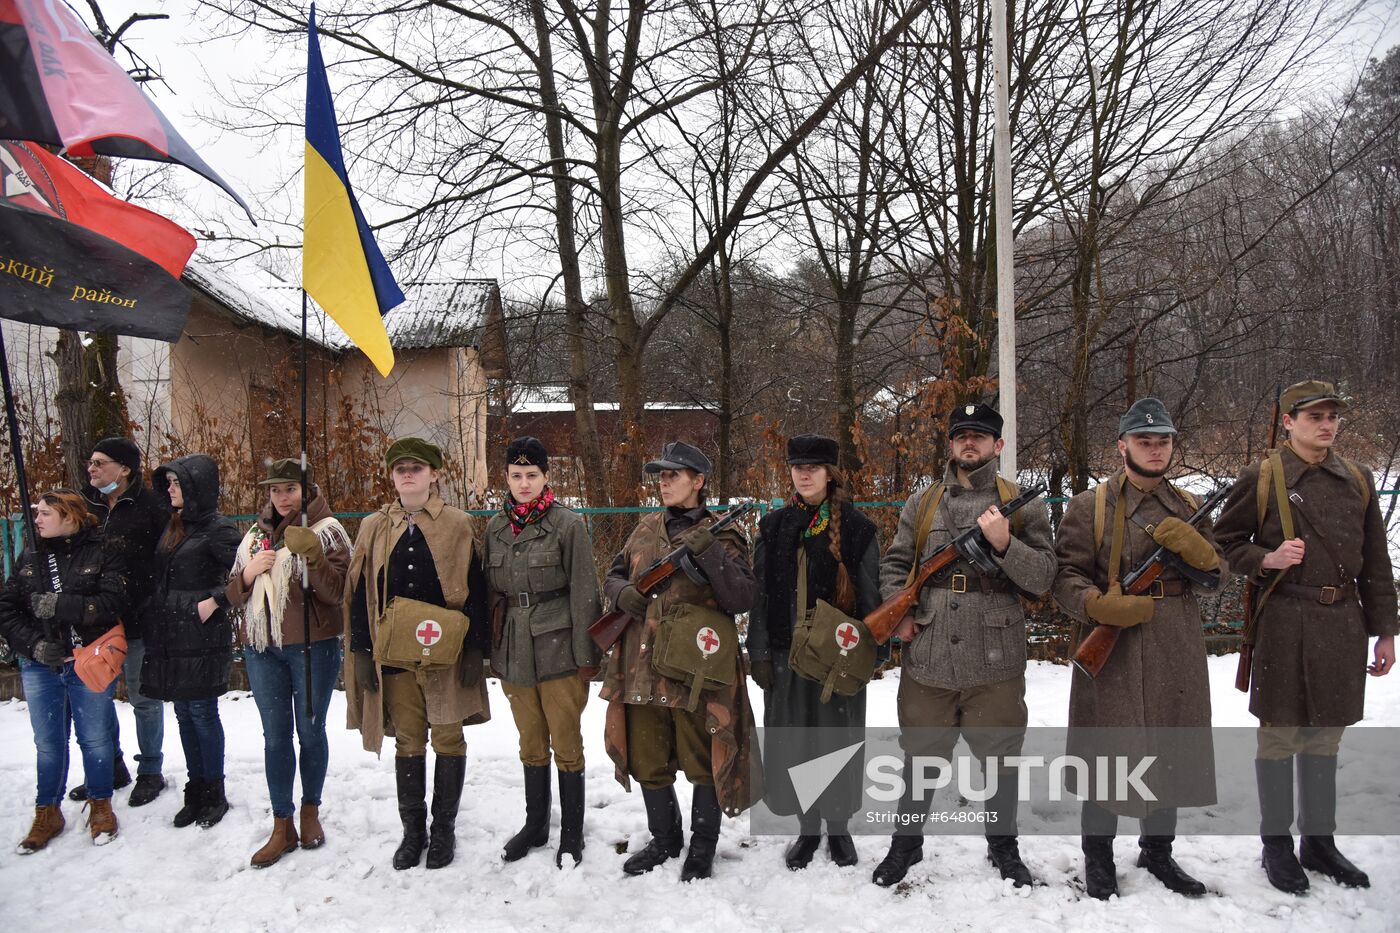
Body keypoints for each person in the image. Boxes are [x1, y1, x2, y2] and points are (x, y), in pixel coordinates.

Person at [1215, 380, 1395, 894]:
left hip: (1343, 623)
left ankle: (1319, 842)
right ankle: (1276, 845)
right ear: (1289, 421)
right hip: (1285, 620)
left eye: (1333, 415)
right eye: (1314, 415)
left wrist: (1385, 630)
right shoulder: (1263, 477)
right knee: (1279, 736)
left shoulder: (1358, 479)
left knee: (1326, 736)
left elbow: (1376, 563)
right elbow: (1224, 543)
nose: (1326, 424)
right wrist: (1266, 559)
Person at [871, 404, 1057, 889]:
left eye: (979, 436)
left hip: (995, 653)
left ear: (998, 445)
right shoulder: (923, 503)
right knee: (919, 757)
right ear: (950, 444)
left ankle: (1004, 849)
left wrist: (1004, 545)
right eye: (961, 436)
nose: (968, 443)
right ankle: (905, 846)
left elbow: (1042, 579)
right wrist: (902, 612)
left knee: (1000, 758)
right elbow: (895, 565)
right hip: (930, 652)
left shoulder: (1024, 504)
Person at [1053, 398, 1226, 900]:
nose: (1155, 450)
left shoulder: (1191, 508)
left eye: (1163, 441)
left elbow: (1217, 578)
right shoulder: (1091, 506)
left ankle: (1158, 851)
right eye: (1144, 441)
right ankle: (1098, 855)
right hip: (1114, 642)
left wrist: (1202, 555)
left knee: (1168, 742)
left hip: (1175, 638)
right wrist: (1097, 606)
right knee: (1107, 747)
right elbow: (1064, 577)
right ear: (1122, 445)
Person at [601, 440, 760, 882]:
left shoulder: (724, 534)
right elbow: (614, 574)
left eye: (674, 474)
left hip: (696, 668)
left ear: (699, 481)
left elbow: (742, 597)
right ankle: (666, 838)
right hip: (643, 665)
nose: (665, 482)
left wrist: (708, 552)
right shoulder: (646, 527)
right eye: (661, 475)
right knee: (648, 757)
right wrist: (622, 594)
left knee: (701, 757)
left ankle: (702, 845)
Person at [343, 438, 492, 871]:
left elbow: (476, 589)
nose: (408, 474)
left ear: (434, 474)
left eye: (417, 468)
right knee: (408, 741)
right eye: (400, 468)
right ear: (391, 476)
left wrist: (473, 650)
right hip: (393, 656)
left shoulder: (458, 525)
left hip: (444, 654)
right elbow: (359, 594)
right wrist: (361, 650)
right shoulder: (373, 526)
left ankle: (443, 829)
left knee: (448, 737)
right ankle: (413, 833)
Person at [748, 433, 881, 870]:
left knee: (836, 741)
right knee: (797, 742)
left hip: (836, 660)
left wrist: (867, 656)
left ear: (830, 474)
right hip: (787, 657)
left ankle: (839, 829)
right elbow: (762, 597)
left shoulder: (859, 529)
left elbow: (871, 600)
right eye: (797, 466)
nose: (804, 474)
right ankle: (808, 829)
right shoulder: (773, 527)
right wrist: (760, 650)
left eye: (814, 467)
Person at [226, 458, 350, 868]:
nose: (282, 498)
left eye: (290, 490)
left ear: (306, 490)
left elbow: (337, 592)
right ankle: (282, 823)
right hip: (264, 649)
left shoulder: (328, 532)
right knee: (275, 737)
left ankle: (309, 811)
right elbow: (232, 593)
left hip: (313, 647)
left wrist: (312, 555)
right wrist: (248, 575)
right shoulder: (254, 536)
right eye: (275, 490)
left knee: (310, 733)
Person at [484, 437, 601, 867]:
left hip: (559, 647)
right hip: (513, 648)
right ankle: (536, 825)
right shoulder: (495, 528)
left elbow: (585, 592)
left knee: (566, 743)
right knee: (530, 743)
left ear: (546, 476)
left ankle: (571, 833)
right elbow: (488, 593)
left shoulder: (567, 525)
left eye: (532, 475)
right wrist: (490, 648)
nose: (524, 483)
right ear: (507, 479)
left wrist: (586, 655)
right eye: (516, 476)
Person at [2, 490, 129, 850]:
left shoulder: (102, 550)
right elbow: (7, 610)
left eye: (45, 513)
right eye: (37, 513)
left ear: (69, 517)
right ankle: (48, 811)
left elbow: (113, 601)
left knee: (95, 738)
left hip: (88, 659)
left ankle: (100, 803)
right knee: (49, 743)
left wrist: (64, 605)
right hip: (42, 665)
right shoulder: (31, 556)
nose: (37, 519)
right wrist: (35, 646)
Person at [141, 454, 243, 829]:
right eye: (167, 483)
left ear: (196, 486)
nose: (169, 490)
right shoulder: (174, 526)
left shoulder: (218, 529)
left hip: (201, 634)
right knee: (183, 714)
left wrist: (213, 600)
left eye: (176, 483)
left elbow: (243, 575)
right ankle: (195, 788)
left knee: (201, 713)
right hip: (172, 634)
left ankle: (214, 791)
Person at [71, 437, 169, 806]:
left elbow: (166, 558)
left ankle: (150, 771)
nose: (92, 468)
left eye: (100, 463)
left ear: (124, 468)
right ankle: (109, 767)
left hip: (140, 616)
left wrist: (155, 602)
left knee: (143, 698)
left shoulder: (151, 506)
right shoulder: (84, 504)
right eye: (90, 462)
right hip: (96, 619)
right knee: (99, 695)